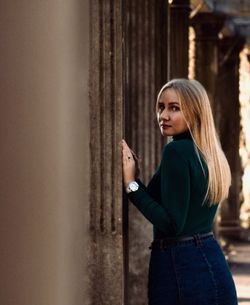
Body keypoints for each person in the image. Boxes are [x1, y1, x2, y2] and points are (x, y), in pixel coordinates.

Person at [121, 79, 238, 305]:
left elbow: (173, 224)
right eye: (161, 107)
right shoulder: (207, 153)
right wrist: (134, 179)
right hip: (211, 261)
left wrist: (129, 184)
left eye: (174, 108)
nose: (163, 115)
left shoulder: (176, 152)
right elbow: (154, 199)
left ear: (194, 112)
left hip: (182, 268)